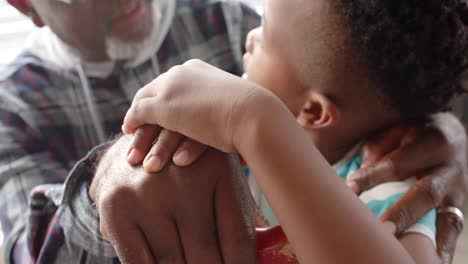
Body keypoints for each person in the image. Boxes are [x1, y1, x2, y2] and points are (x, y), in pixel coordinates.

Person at [0, 0, 466, 263]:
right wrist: (109, 178)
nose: (248, 37)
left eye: (260, 35)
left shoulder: (386, 191)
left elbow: (364, 68)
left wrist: (258, 121)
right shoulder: (13, 108)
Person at [0, 0, 261, 263]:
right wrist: (100, 189)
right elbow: (31, 253)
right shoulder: (13, 107)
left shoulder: (226, 23)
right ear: (25, 6)